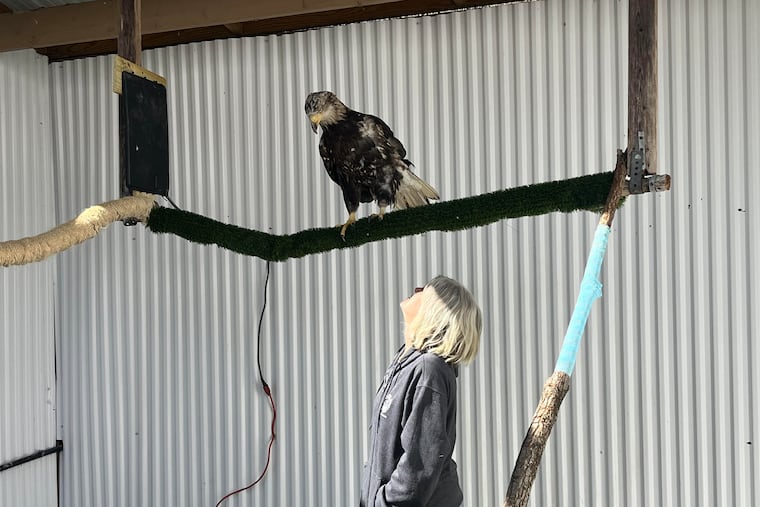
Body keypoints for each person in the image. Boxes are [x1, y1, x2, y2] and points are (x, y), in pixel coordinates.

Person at [360, 275, 483, 507]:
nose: (414, 291)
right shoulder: (406, 362)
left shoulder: (430, 370)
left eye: (422, 290)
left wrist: (384, 502)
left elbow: (419, 465)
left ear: (435, 310)